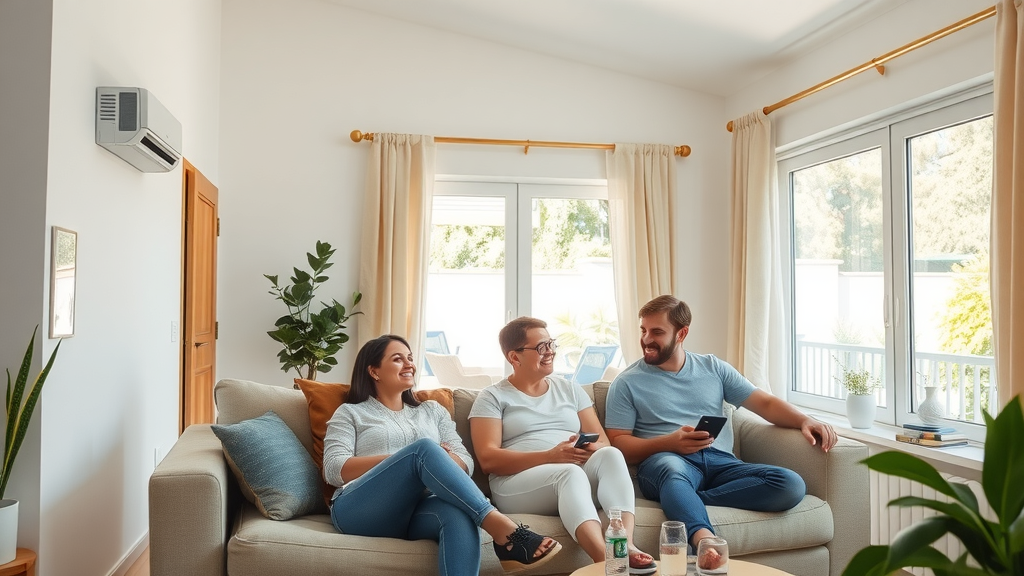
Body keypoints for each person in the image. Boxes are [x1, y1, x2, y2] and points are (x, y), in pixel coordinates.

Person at [604, 295, 838, 570]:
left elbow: (763, 403)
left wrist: (804, 420)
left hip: (719, 462)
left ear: (682, 333)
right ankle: (705, 539)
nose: (646, 339)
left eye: (657, 332)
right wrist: (670, 443)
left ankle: (685, 499)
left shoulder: (713, 368)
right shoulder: (627, 383)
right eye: (643, 330)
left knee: (790, 484)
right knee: (673, 473)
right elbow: (618, 444)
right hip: (666, 462)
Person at [322, 334, 562, 576]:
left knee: (460, 513)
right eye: (397, 359)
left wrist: (435, 459)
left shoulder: (432, 411)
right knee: (424, 448)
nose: (409, 364)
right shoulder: (351, 413)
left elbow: (465, 462)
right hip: (360, 509)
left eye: (410, 358)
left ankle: (498, 534)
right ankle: (503, 528)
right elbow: (333, 469)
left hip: (414, 510)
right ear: (374, 371)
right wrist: (406, 459)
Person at [469, 317, 657, 575]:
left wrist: (582, 449)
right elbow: (488, 460)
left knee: (611, 454)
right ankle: (606, 564)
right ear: (514, 357)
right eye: (541, 347)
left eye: (551, 344)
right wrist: (550, 456)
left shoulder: (569, 389)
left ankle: (625, 545)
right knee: (568, 473)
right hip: (516, 483)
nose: (550, 352)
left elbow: (602, 441)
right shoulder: (492, 397)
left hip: (572, 472)